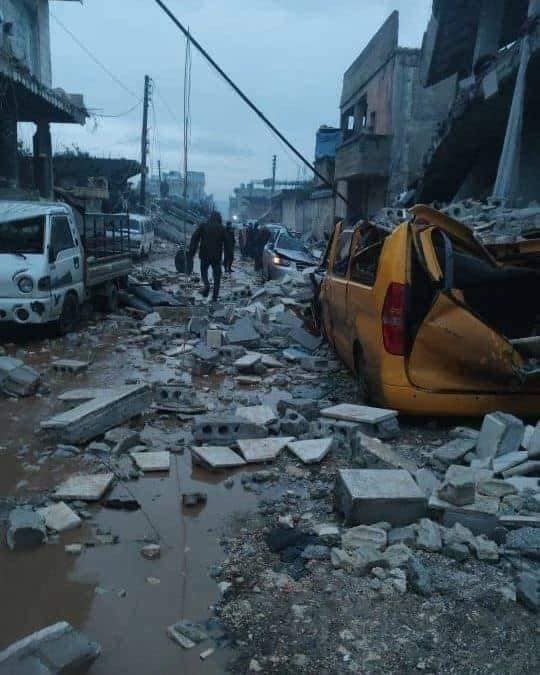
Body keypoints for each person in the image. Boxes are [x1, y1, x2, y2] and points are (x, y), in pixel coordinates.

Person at [188, 211, 226, 301]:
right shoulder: (222, 228)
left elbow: (195, 238)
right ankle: (215, 296)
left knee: (204, 272)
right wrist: (227, 259)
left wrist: (191, 253)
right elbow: (228, 243)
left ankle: (207, 285)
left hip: (204, 254)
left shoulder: (204, 226)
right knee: (217, 276)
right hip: (216, 256)